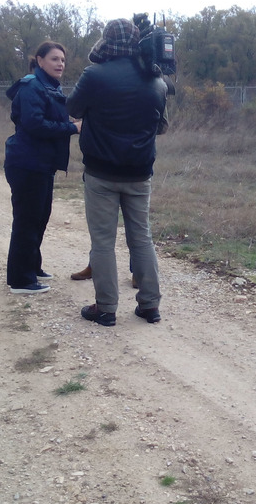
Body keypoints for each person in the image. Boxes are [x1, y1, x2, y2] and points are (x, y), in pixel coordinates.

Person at [67, 18, 169, 326]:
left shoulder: (94, 75)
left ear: (105, 40)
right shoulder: (156, 80)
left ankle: (106, 308)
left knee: (102, 241)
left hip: (101, 172)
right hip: (139, 173)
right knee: (142, 238)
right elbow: (160, 126)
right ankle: (150, 305)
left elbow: (73, 108)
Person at [4, 41, 81, 294]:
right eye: (54, 59)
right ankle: (21, 280)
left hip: (42, 164)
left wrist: (68, 120)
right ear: (40, 61)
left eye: (62, 60)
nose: (60, 64)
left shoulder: (49, 87)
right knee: (27, 221)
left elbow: (48, 117)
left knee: (40, 218)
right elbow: (35, 124)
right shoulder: (31, 86)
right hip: (27, 163)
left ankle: (32, 267)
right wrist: (72, 128)